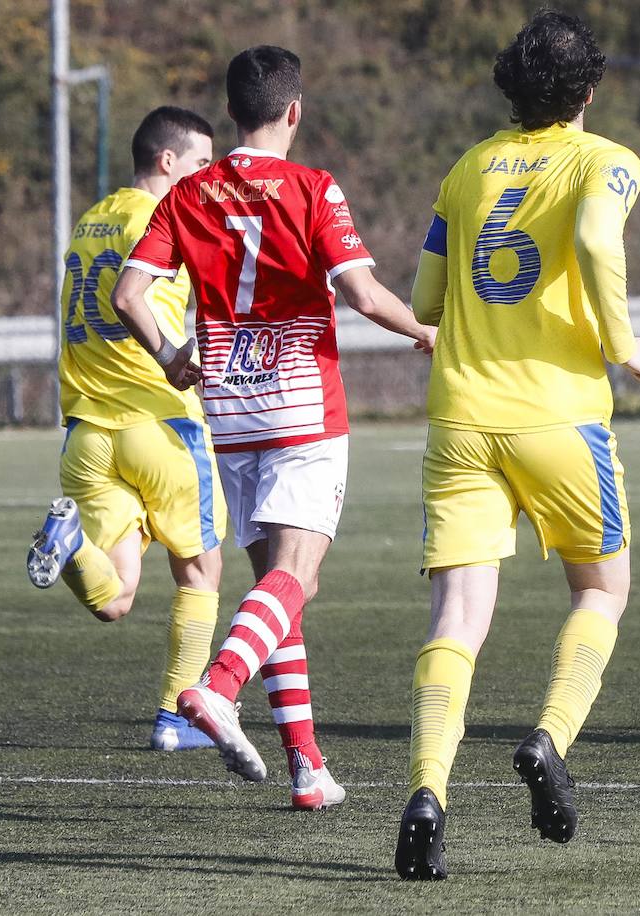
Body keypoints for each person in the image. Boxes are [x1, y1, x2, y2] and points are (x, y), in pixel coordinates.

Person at [111, 46, 436, 809]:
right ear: (296, 110)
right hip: (300, 407)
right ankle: (221, 686)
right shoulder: (314, 188)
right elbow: (360, 292)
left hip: (227, 405)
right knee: (298, 577)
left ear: (230, 113)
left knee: (280, 589)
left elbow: (130, 294)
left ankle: (308, 768)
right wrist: (427, 334)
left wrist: (170, 356)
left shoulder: (188, 194)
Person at [394, 10, 640, 881]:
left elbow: (426, 300)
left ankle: (428, 793)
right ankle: (549, 739)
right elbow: (591, 236)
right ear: (589, 89)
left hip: (460, 419)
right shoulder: (606, 158)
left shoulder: (466, 168)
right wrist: (625, 346)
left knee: (457, 621)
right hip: (558, 417)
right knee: (603, 588)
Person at [27, 106, 222, 753]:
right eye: (199, 164)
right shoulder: (170, 218)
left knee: (114, 597)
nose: (206, 176)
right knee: (200, 573)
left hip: (87, 435)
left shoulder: (90, 220)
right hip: (157, 424)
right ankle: (175, 718)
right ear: (168, 161)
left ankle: (69, 542)